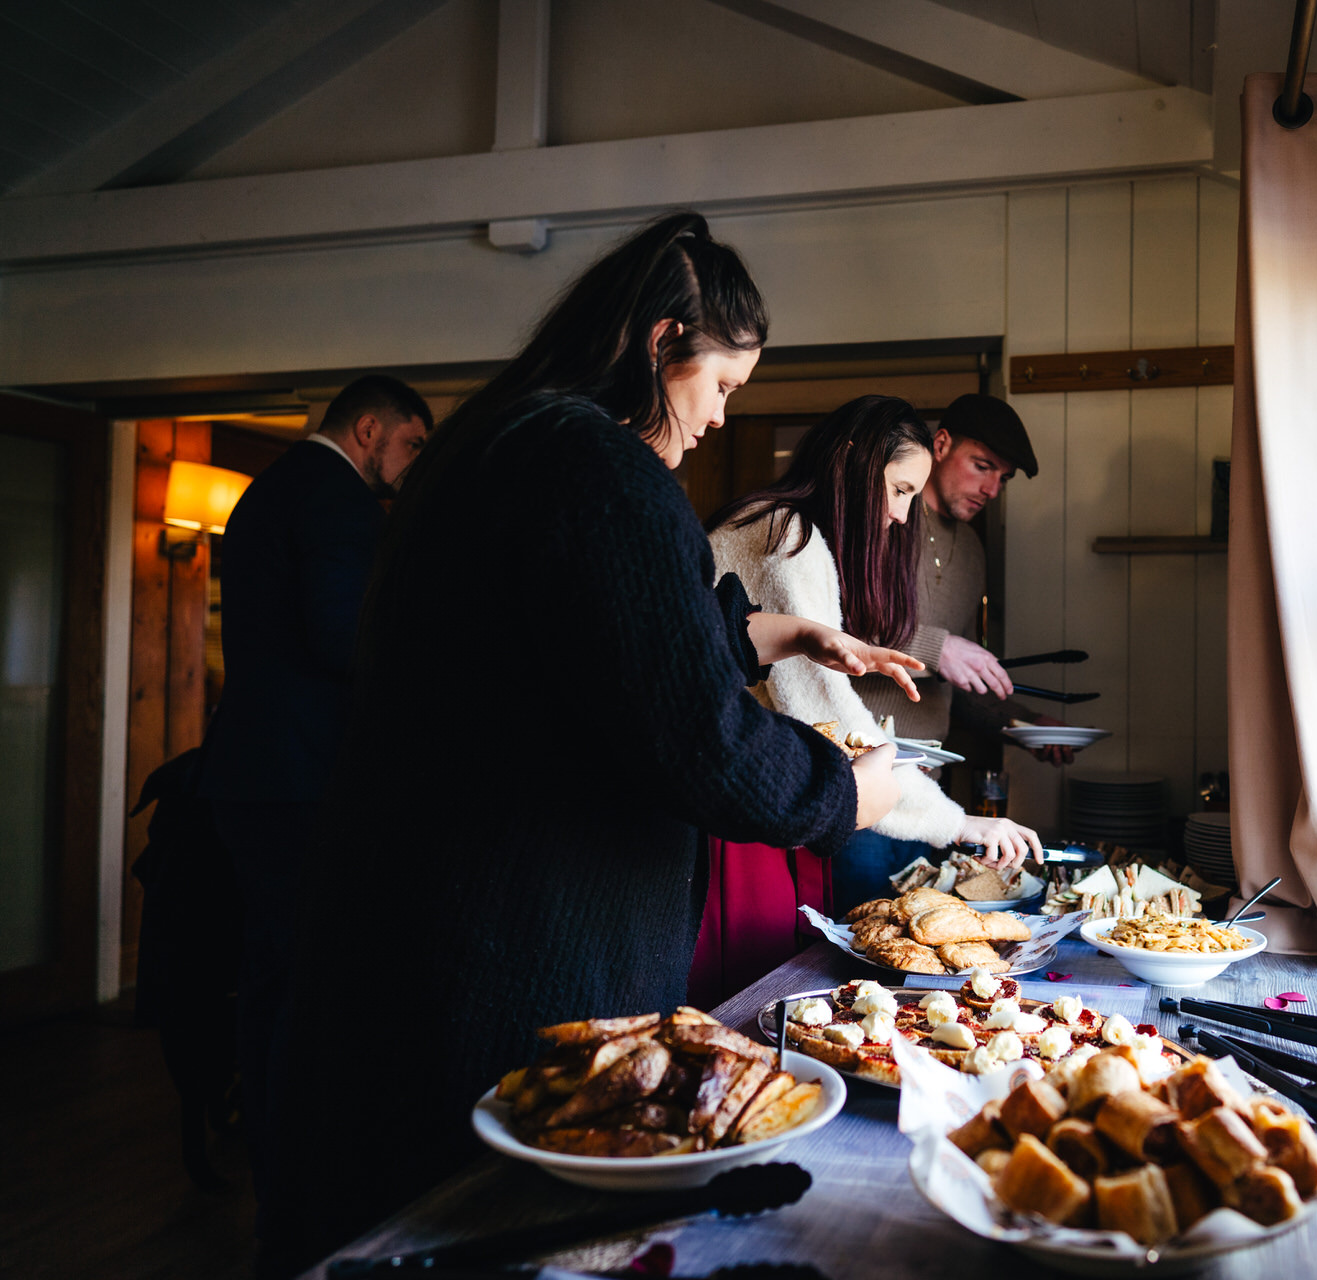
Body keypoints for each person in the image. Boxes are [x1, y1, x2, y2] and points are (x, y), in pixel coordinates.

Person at [267, 213, 916, 1276]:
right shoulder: (600, 468)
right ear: (662, 343)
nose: (717, 419)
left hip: (407, 928)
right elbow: (694, 739)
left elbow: (589, 639)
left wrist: (774, 632)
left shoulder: (504, 441)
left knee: (389, 1216)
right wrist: (846, 794)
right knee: (488, 1233)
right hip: (504, 944)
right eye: (721, 388)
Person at [196, 373, 431, 1233]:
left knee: (272, 977)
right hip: (299, 777)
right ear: (369, 429)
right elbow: (344, 636)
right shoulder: (334, 498)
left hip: (254, 770)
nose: (408, 469)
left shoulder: (267, 490)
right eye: (409, 446)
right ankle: (302, 1176)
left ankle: (275, 1159)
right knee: (307, 981)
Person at [707, 395, 1043, 911]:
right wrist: (958, 822)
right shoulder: (785, 535)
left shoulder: (780, 524)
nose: (902, 514)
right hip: (745, 808)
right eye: (900, 489)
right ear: (853, 461)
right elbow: (824, 713)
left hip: (762, 796)